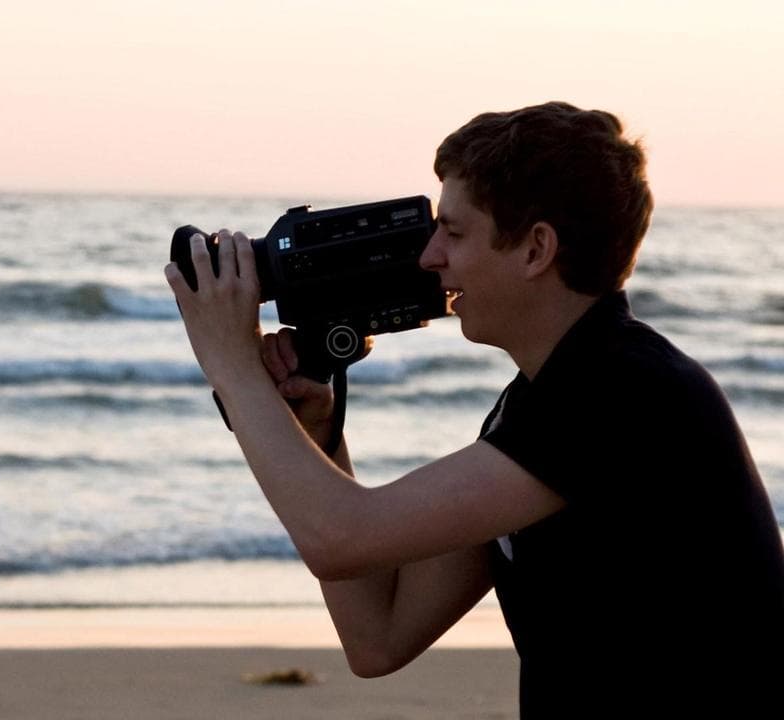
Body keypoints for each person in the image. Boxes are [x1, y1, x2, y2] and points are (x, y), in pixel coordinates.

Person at [164, 102, 784, 715]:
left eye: (454, 232)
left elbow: (340, 538)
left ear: (536, 249)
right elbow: (378, 637)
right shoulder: (541, 402)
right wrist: (320, 434)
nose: (430, 257)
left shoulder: (623, 392)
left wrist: (231, 362)